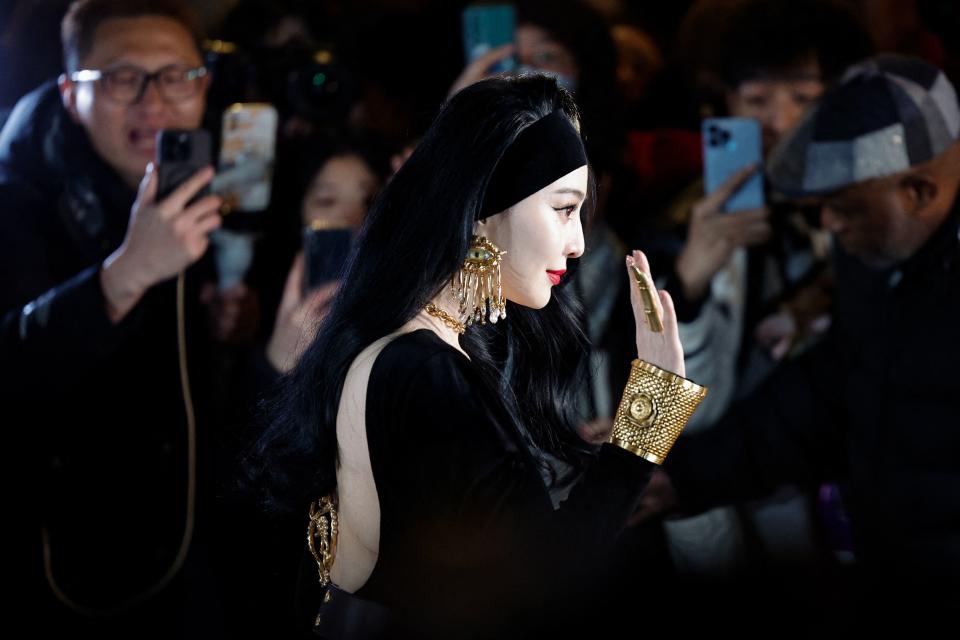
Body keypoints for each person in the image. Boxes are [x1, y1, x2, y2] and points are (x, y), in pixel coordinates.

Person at [246, 74, 706, 638]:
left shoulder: (404, 348)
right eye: (564, 210)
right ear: (485, 209)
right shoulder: (422, 369)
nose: (579, 242)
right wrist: (651, 415)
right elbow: (546, 578)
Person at [643, 54, 960, 629]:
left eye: (842, 209)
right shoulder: (880, 257)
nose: (829, 227)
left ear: (917, 192)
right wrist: (684, 476)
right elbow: (836, 382)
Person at [0, 0, 226, 634]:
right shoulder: (17, 200)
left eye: (176, 75)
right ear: (72, 96)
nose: (154, 100)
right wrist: (126, 273)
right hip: (62, 572)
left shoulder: (219, 185)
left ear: (203, 85)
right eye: (122, 78)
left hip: (194, 556)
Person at [648, 0, 873, 576]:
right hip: (720, 500)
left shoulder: (877, 211)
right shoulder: (680, 225)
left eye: (804, 96)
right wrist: (692, 280)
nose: (783, 121)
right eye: (756, 100)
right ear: (721, 103)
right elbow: (662, 422)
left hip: (846, 492)